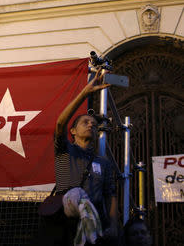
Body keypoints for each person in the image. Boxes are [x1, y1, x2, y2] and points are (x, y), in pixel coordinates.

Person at [42, 69, 119, 245]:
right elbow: (60, 123)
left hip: (95, 218)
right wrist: (84, 93)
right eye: (85, 122)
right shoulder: (64, 149)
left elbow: (110, 195)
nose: (91, 124)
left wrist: (114, 225)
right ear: (73, 131)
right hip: (64, 218)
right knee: (77, 193)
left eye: (94, 124)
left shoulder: (103, 162)